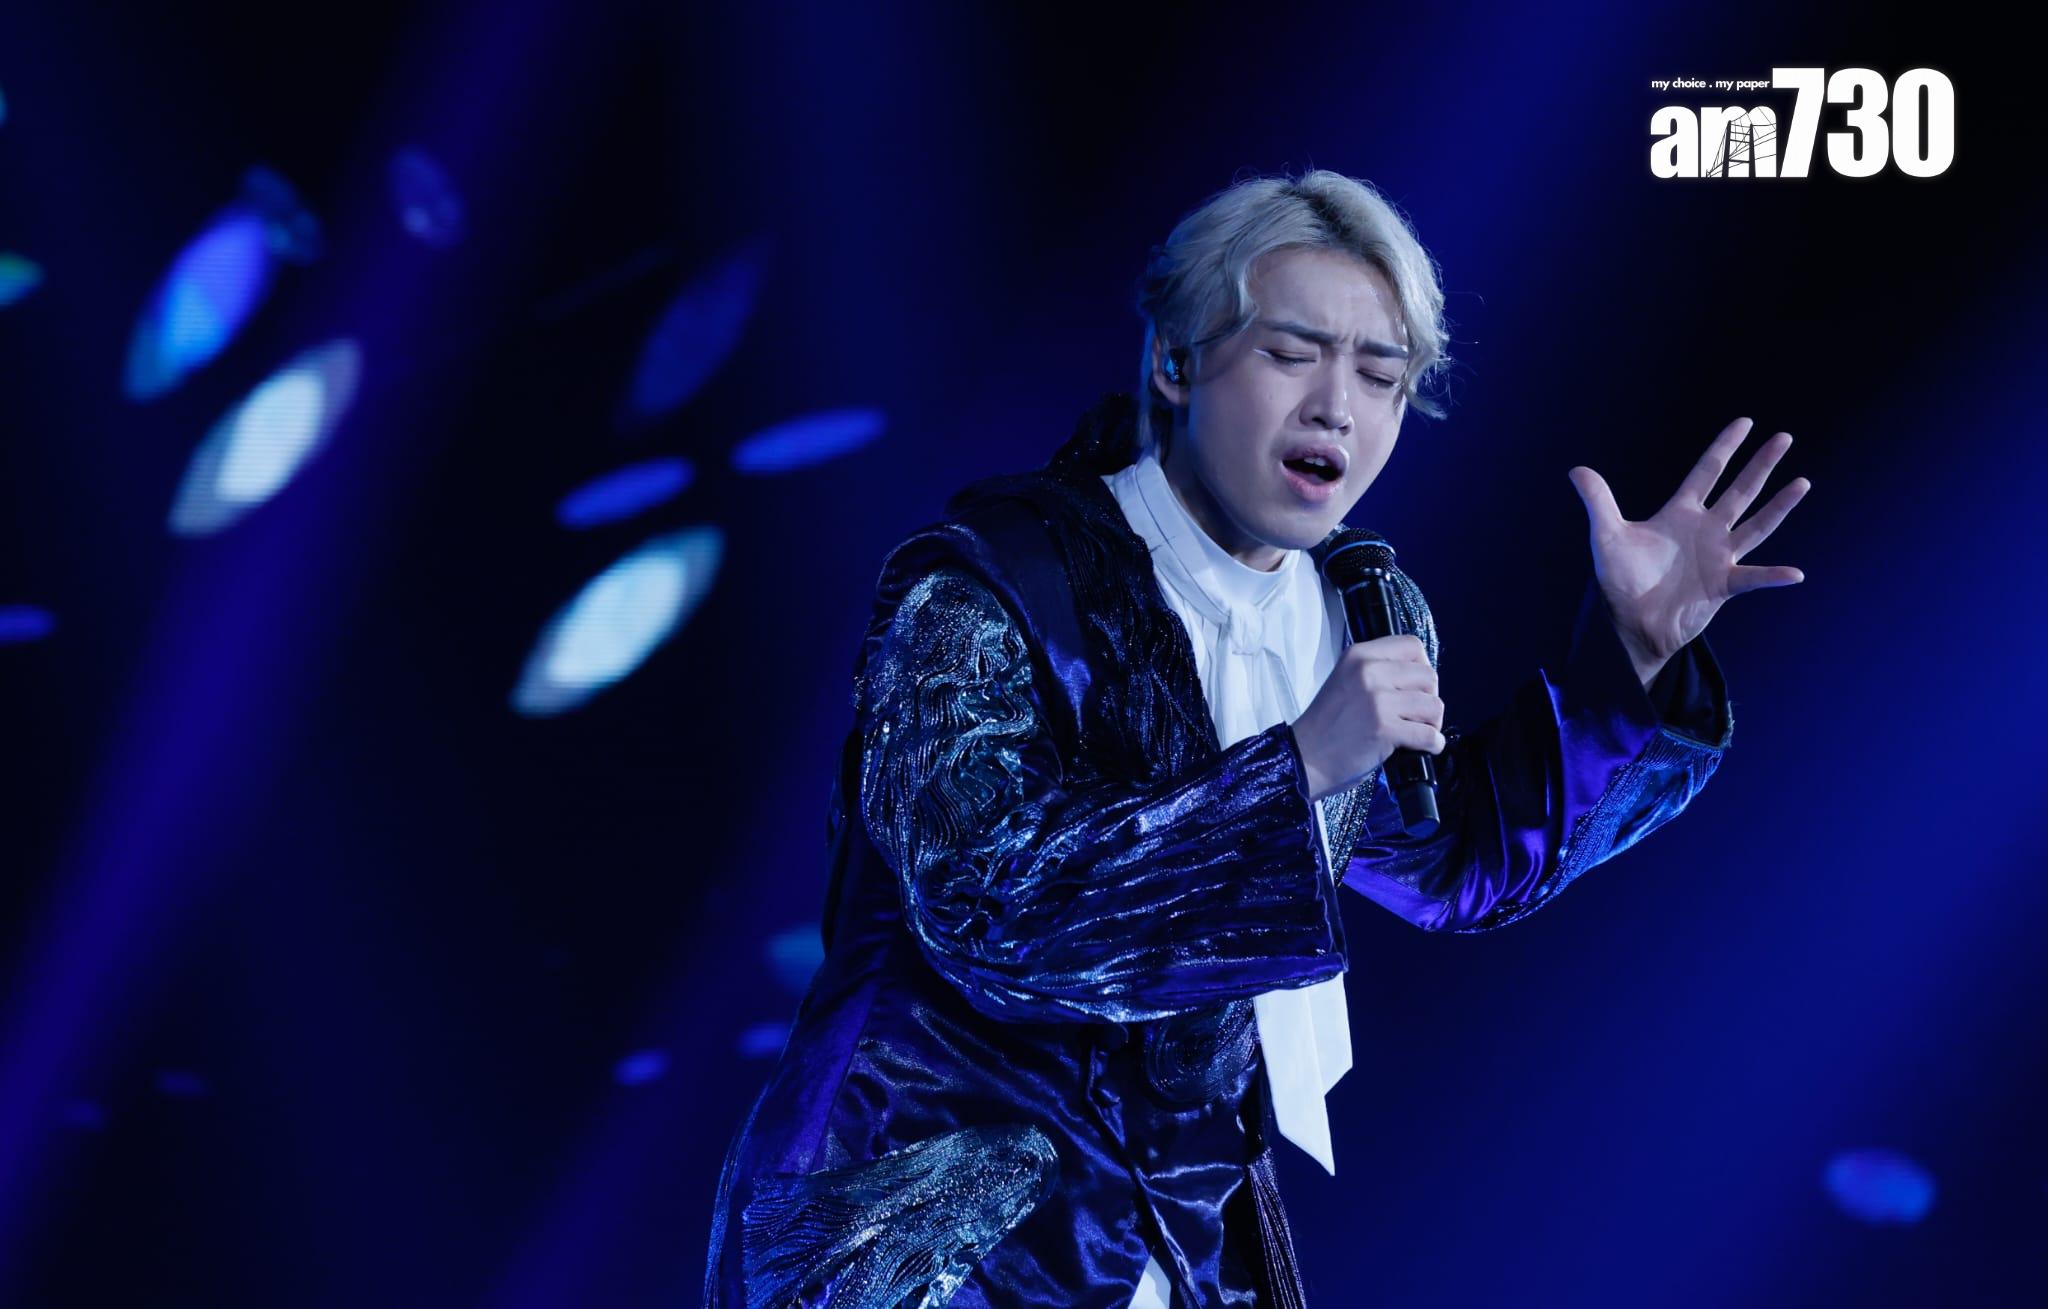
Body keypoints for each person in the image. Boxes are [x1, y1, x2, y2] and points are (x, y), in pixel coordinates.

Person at [702, 168, 1808, 1308]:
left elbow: (1446, 864)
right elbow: (988, 909)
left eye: (1380, 374)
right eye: (1292, 355)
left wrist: (1629, 655)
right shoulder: (989, 587)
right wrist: (1299, 767)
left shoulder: (1356, 614)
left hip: (1173, 1230)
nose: (1337, 407)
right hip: (929, 1216)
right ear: (1176, 362)